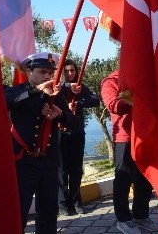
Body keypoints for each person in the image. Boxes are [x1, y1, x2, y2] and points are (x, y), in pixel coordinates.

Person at [4, 52, 77, 234]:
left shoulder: (56, 96)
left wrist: (60, 114)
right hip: (23, 163)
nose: (47, 77)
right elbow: (9, 100)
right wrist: (37, 90)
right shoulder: (18, 91)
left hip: (49, 162)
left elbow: (73, 122)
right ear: (29, 71)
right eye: (42, 72)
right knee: (18, 211)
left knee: (48, 213)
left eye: (50, 73)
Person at [101, 70, 158, 234]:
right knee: (123, 179)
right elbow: (114, 106)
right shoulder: (110, 81)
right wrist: (136, 95)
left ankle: (141, 215)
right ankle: (123, 219)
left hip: (146, 134)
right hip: (124, 137)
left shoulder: (146, 78)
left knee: (145, 178)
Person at [58, 59, 100, 216]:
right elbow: (53, 88)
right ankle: (63, 205)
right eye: (67, 71)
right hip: (60, 132)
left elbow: (95, 100)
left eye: (72, 71)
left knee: (76, 169)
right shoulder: (58, 86)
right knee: (61, 170)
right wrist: (68, 87)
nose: (70, 73)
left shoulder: (81, 87)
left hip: (77, 132)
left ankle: (76, 202)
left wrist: (79, 103)